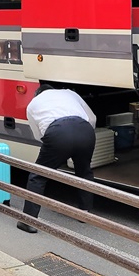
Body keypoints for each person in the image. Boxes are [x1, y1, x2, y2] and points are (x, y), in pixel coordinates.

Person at [17, 84, 97, 233]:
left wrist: (56, 148)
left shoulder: (33, 104)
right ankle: (84, 213)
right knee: (84, 171)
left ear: (37, 94)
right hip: (85, 130)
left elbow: (39, 135)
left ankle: (28, 220)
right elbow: (92, 118)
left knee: (38, 176)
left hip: (57, 133)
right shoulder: (69, 93)